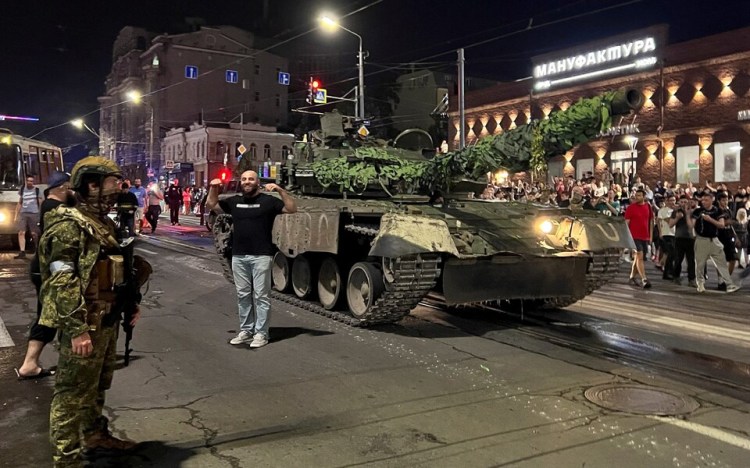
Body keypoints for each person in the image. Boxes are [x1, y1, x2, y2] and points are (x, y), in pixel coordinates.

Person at [38, 157, 144, 466]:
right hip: (84, 322)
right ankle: (66, 459)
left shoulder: (103, 224)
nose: (118, 189)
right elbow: (62, 279)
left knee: (97, 385)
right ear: (91, 185)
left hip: (106, 318)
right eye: (113, 183)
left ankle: (95, 434)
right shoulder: (68, 225)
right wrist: (76, 328)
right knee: (72, 393)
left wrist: (130, 303)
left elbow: (116, 269)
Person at [205, 170, 296, 348]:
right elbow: (212, 204)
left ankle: (261, 333)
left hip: (261, 255)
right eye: (244, 179)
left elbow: (292, 208)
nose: (247, 182)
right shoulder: (234, 201)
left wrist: (280, 190)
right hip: (239, 255)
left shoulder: (268, 201)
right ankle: (246, 330)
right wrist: (213, 188)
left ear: (257, 182)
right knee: (243, 295)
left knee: (261, 296)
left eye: (251, 179)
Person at [15, 171, 74, 380]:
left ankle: (31, 364)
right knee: (48, 316)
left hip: (44, 267)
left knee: (49, 315)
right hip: (46, 269)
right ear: (62, 188)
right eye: (70, 188)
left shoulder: (50, 205)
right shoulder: (53, 207)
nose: (73, 192)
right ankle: (29, 364)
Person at [688, 191, 739, 293]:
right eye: (703, 200)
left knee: (722, 262)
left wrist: (710, 219)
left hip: (715, 240)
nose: (704, 202)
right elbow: (691, 225)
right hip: (702, 240)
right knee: (700, 264)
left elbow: (721, 225)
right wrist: (687, 214)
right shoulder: (698, 211)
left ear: (712, 200)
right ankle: (700, 284)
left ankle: (729, 284)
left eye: (706, 200)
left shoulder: (718, 211)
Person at [624, 189, 653, 289]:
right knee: (639, 256)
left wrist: (651, 236)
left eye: (639, 195)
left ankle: (632, 276)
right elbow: (626, 223)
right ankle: (644, 279)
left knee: (638, 257)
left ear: (644, 197)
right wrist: (626, 237)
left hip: (645, 236)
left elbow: (651, 221)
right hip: (634, 236)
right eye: (636, 195)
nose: (637, 197)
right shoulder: (631, 208)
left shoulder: (648, 207)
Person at [14, 175, 43, 259]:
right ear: (26, 181)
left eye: (31, 181)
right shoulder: (22, 189)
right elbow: (20, 202)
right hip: (23, 213)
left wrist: (40, 213)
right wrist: (16, 215)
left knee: (34, 233)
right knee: (21, 232)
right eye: (28, 181)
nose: (30, 182)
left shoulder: (37, 190)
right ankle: (22, 252)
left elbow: (40, 202)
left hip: (34, 213)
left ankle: (37, 249)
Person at [670, 196, 697, 287]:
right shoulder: (676, 212)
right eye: (682, 202)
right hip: (679, 238)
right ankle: (676, 277)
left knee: (691, 260)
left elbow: (692, 226)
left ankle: (691, 279)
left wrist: (688, 214)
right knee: (678, 259)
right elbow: (670, 224)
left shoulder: (692, 212)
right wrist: (677, 218)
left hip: (690, 238)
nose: (683, 204)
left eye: (685, 202)